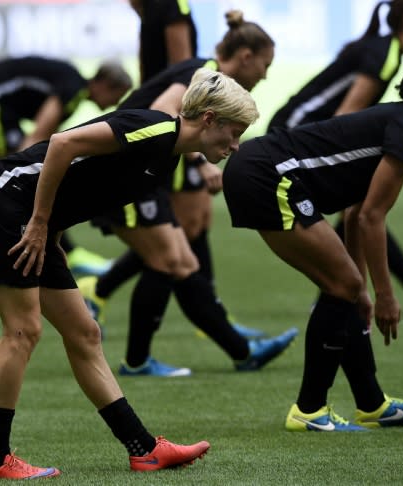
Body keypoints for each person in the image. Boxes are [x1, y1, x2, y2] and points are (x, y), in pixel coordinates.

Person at [0, 68, 255, 479]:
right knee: (22, 330)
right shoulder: (153, 130)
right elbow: (62, 144)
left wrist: (52, 231)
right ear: (208, 120)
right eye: (234, 132)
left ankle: (144, 449)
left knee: (85, 333)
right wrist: (41, 221)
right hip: (1, 200)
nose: (235, 145)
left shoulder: (165, 158)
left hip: (27, 213)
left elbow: (80, 187)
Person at [223, 54, 403, 430]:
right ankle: (309, 411)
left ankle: (372, 405)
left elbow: (356, 213)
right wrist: (385, 295)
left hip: (261, 171)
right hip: (268, 175)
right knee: (344, 286)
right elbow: (372, 217)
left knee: (346, 289)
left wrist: (362, 287)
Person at [79, 10, 295, 378]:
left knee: (183, 264)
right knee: (169, 261)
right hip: (119, 171)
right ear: (246, 57)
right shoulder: (202, 74)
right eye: (265, 65)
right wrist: (200, 163)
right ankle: (138, 356)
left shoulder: (208, 76)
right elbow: (161, 112)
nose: (265, 75)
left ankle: (242, 353)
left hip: (142, 175)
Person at [267, 0, 403, 313]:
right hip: (296, 135)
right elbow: (345, 115)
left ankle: (350, 293)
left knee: (362, 211)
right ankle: (349, 294)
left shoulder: (386, 51)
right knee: (364, 212)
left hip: (297, 132)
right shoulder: (385, 54)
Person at [0, 56, 133, 277]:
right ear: (104, 84)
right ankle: (62, 250)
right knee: (25, 179)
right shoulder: (74, 89)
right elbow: (38, 136)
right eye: (119, 94)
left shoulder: (73, 85)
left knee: (24, 180)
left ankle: (43, 244)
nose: (116, 103)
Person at [129, 0, 198, 84]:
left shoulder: (171, 5)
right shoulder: (149, 6)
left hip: (165, 90)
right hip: (153, 87)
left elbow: (182, 70)